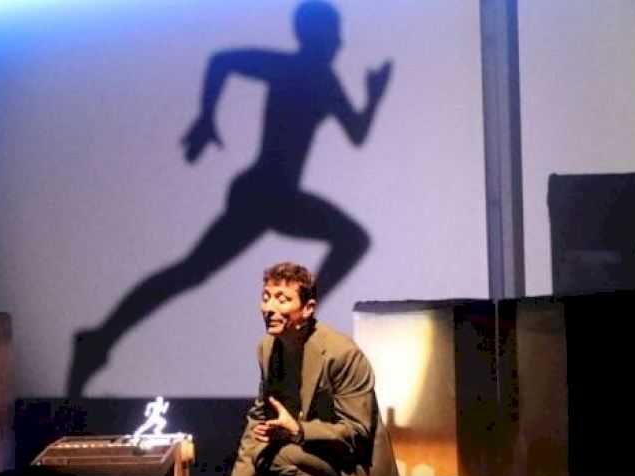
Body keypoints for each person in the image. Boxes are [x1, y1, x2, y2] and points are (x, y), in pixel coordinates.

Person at [66, 1, 391, 399]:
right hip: (262, 193)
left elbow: (356, 132)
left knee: (194, 270)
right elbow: (222, 61)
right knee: (191, 271)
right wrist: (207, 116)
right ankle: (98, 340)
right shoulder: (291, 68)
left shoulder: (325, 80)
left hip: (279, 197)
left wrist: (373, 97)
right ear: (316, 36)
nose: (340, 42)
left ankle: (100, 340)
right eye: (334, 34)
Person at [204, 262, 398, 476]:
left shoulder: (341, 354)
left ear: (307, 308)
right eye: (266, 297)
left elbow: (357, 432)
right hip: (301, 466)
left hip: (346, 464)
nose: (270, 308)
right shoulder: (267, 348)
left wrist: (298, 431)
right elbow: (259, 417)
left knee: (276, 456)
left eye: (282, 299)